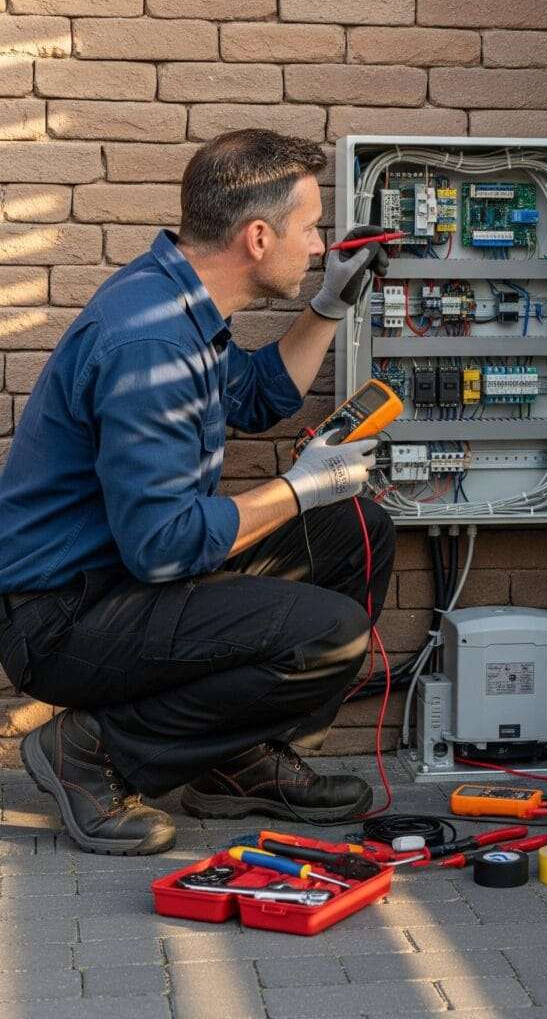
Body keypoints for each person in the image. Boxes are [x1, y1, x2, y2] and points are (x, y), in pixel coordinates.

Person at [0, 129, 396, 856]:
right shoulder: (149, 343)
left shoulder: (177, 300)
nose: (317, 248)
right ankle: (91, 753)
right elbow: (164, 547)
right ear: (255, 237)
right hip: (67, 617)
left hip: (125, 583)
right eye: (309, 231)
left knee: (355, 529)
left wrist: (333, 303)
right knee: (328, 634)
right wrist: (295, 490)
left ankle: (231, 758)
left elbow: (257, 395)